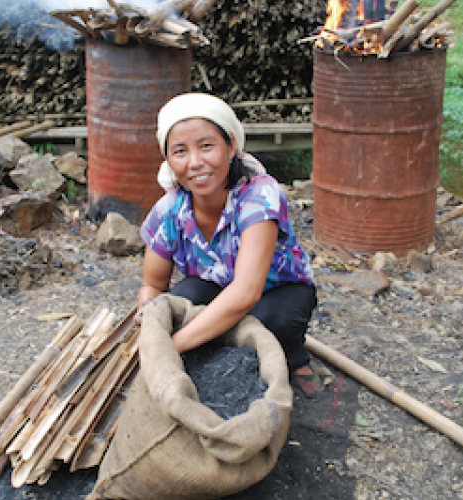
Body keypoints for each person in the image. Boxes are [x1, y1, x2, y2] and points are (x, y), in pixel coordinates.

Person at [137, 92, 324, 399]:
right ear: (168, 160)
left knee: (269, 323)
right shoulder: (170, 210)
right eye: (180, 151)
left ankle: (294, 358)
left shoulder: (259, 196)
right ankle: (216, 350)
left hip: (276, 291)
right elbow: (153, 284)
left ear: (231, 145)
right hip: (217, 290)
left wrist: (172, 346)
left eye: (206, 146)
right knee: (182, 299)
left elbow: (247, 292)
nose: (195, 162)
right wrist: (150, 319)